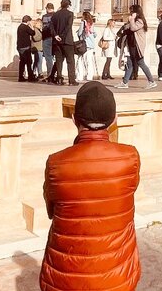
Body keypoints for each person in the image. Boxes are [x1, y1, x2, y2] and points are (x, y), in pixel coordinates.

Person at [39, 81, 141, 291]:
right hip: (117, 274)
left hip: (66, 276)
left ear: (75, 119)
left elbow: (52, 210)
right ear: (113, 120)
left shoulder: (56, 163)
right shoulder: (130, 157)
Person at [116, 5, 157, 89]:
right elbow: (126, 28)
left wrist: (131, 20)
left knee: (141, 63)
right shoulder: (133, 20)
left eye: (132, 11)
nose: (130, 13)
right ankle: (125, 82)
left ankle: (152, 81)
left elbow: (133, 28)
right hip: (131, 46)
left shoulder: (140, 21)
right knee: (129, 64)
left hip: (137, 46)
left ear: (136, 12)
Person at [51, 0, 77, 86]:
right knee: (70, 61)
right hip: (67, 41)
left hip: (57, 41)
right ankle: (72, 80)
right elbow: (68, 27)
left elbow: (51, 27)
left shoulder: (55, 15)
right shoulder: (70, 14)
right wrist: (61, 36)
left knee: (59, 60)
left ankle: (59, 79)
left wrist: (56, 36)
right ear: (68, 5)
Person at [76, 11, 97, 82]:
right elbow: (95, 34)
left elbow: (79, 33)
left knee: (80, 61)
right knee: (89, 61)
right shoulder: (91, 24)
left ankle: (80, 76)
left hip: (83, 45)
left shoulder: (83, 23)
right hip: (91, 45)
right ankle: (89, 76)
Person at [17, 15, 36, 82]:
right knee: (29, 62)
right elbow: (33, 33)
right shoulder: (26, 27)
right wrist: (32, 27)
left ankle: (20, 77)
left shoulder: (19, 27)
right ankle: (30, 77)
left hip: (20, 47)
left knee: (22, 62)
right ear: (28, 21)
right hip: (26, 47)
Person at [41, 3, 55, 83]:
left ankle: (50, 75)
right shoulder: (57, 15)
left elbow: (45, 28)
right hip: (55, 38)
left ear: (47, 8)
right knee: (55, 57)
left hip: (47, 38)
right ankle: (55, 74)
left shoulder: (45, 16)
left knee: (48, 57)